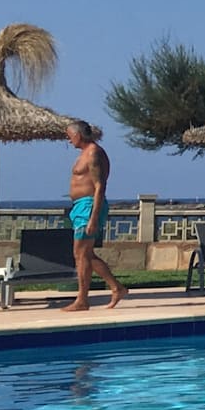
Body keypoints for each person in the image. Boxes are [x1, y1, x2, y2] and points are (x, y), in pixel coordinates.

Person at [65, 120, 127, 310]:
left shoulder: (93, 153)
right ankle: (116, 288)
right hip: (80, 207)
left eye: (70, 136)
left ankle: (83, 299)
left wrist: (93, 216)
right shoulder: (84, 153)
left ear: (78, 135)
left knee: (82, 252)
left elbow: (100, 186)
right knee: (83, 253)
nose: (69, 140)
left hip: (88, 206)